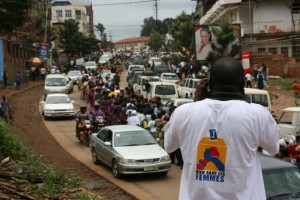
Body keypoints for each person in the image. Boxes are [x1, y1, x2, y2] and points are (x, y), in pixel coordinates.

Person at [164, 57, 279, 200]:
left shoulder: (183, 112)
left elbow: (169, 146)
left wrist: (196, 104)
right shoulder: (257, 114)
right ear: (243, 84)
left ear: (209, 84)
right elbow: (274, 148)